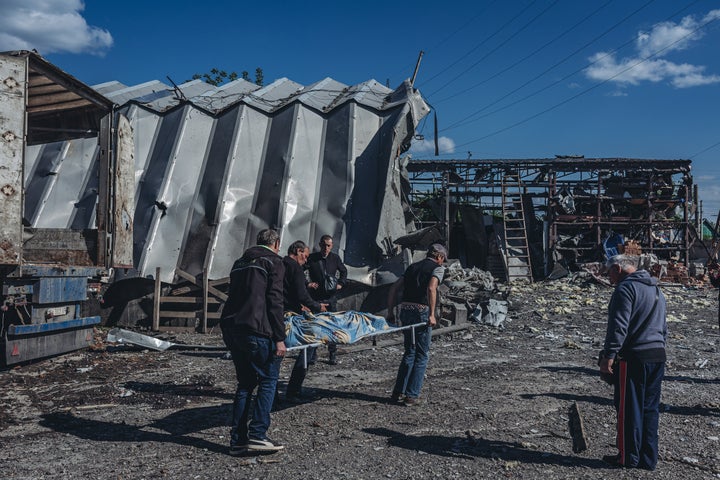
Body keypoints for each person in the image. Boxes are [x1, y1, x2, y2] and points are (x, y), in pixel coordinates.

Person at [220, 229, 286, 456]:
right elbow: (275, 300)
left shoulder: (240, 262)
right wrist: (280, 338)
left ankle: (238, 440)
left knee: (245, 383)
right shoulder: (273, 261)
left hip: (232, 328)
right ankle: (258, 434)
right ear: (276, 243)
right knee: (268, 379)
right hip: (257, 330)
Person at [598, 254, 667, 470]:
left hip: (635, 357)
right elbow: (663, 327)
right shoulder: (656, 289)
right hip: (657, 355)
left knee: (629, 408)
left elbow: (618, 327)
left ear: (618, 268)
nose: (607, 277)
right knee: (649, 408)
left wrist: (608, 356)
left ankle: (627, 457)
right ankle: (648, 458)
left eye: (609, 271)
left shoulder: (625, 289)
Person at [387, 243, 447, 406]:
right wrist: (432, 314)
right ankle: (411, 395)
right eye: (443, 259)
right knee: (422, 354)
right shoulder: (438, 268)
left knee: (409, 351)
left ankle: (398, 392)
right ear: (439, 257)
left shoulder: (412, 267)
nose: (442, 262)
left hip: (406, 310)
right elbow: (431, 288)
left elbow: (394, 288)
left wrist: (390, 312)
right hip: (421, 311)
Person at [283, 241, 328, 401]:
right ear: (298, 251)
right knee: (309, 346)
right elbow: (301, 294)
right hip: (290, 316)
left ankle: (270, 393)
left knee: (276, 355)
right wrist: (317, 306)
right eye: (305, 256)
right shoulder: (296, 268)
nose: (306, 260)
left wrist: (300, 305)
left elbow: (286, 292)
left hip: (278, 312)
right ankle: (294, 390)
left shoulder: (280, 264)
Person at [306, 235, 348, 364]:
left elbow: (344, 271)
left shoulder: (334, 258)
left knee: (332, 326)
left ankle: (332, 354)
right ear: (320, 245)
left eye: (328, 245)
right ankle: (312, 355)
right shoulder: (313, 258)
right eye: (324, 245)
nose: (326, 248)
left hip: (331, 298)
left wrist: (341, 283)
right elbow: (300, 270)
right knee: (315, 326)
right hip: (316, 298)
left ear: (332, 246)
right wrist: (307, 284)